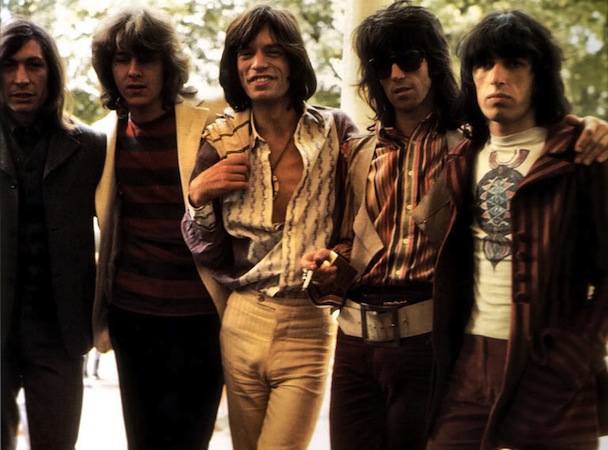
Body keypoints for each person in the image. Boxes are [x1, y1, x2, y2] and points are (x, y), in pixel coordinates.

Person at [300, 3, 608, 450]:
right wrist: (331, 265)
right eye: (382, 66)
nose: (396, 75)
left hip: (433, 340)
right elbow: (348, 243)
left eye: (409, 59)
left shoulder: (466, 147)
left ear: (433, 62)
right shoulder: (362, 151)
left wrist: (590, 129)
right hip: (366, 345)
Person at [426, 10, 608, 450]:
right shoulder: (461, 159)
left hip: (548, 361)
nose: (497, 78)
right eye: (483, 64)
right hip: (470, 358)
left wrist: (576, 352)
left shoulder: (578, 156)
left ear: (539, 74)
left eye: (514, 63)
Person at [181, 4, 358, 449]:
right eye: (246, 53)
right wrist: (198, 195)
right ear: (235, 66)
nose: (258, 63)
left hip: (309, 322)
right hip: (242, 316)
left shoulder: (337, 131)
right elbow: (209, 250)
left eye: (273, 51)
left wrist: (337, 260)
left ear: (294, 60)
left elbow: (358, 227)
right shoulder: (221, 139)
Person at [90, 7, 224, 450]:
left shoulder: (208, 125)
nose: (134, 71)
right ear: (109, 69)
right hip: (133, 317)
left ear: (167, 66)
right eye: (122, 59)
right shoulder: (103, 137)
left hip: (200, 317)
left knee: (190, 441)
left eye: (146, 58)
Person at [1, 17, 106, 450]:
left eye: (34, 65)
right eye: (8, 65)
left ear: (52, 73)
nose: (21, 78)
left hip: (58, 334)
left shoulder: (90, 147)